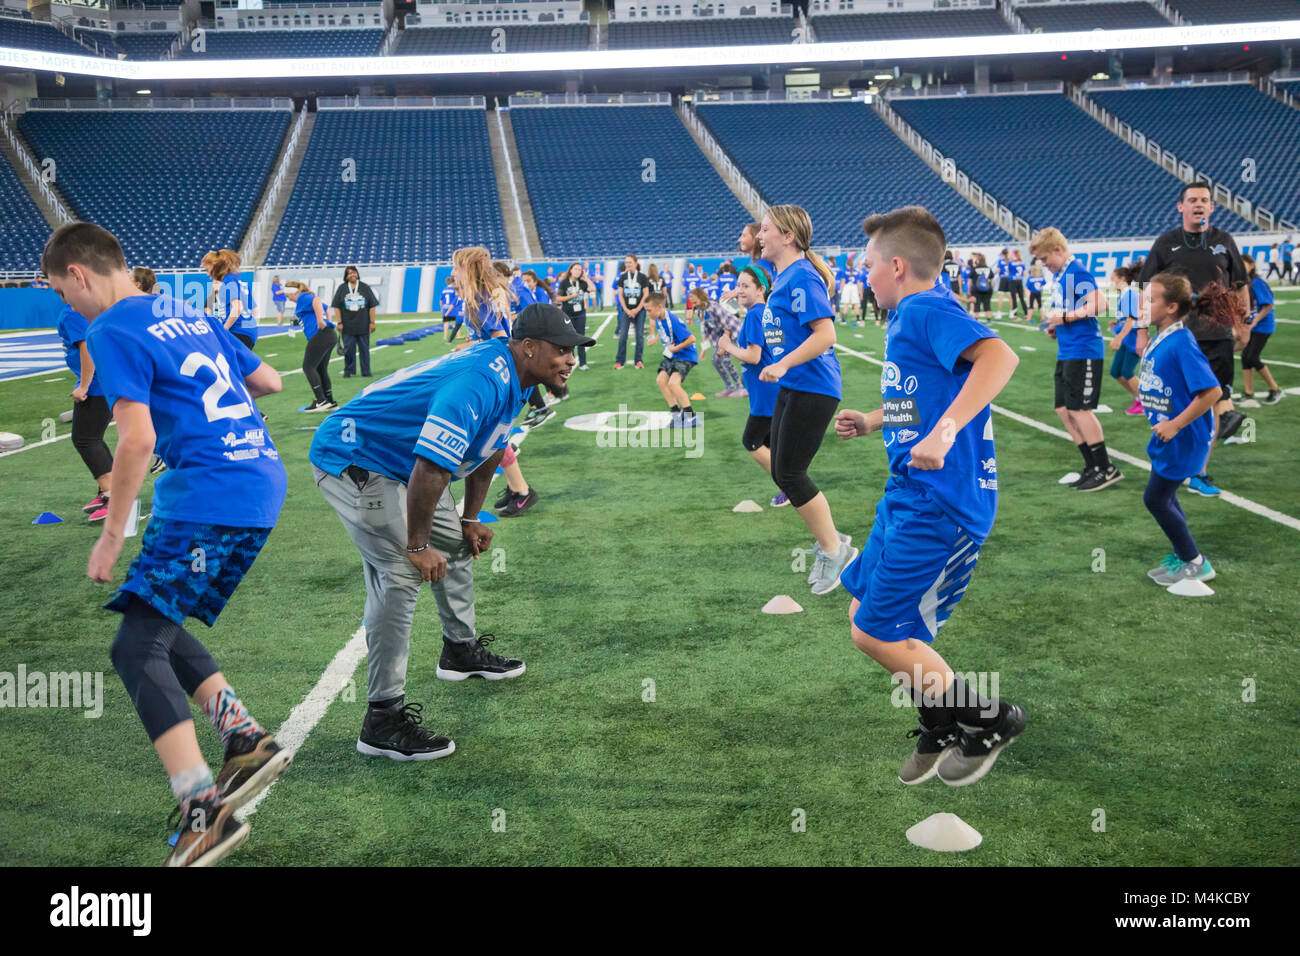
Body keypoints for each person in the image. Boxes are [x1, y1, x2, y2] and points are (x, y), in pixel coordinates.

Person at [45, 221, 290, 867]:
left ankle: (202, 809)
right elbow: (270, 382)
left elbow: (137, 440)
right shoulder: (185, 311)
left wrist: (110, 532)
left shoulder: (111, 328)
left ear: (79, 274)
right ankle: (243, 737)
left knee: (134, 645)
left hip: (209, 494)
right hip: (259, 483)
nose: (69, 309)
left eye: (64, 295)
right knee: (150, 612)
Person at [309, 304, 593, 759]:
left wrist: (468, 519)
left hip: (404, 461)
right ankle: (381, 719)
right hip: (358, 457)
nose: (570, 358)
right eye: (562, 350)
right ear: (529, 347)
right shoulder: (481, 381)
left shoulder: (516, 375)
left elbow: (489, 449)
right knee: (401, 574)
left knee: (457, 547)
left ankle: (459, 652)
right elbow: (430, 467)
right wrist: (418, 545)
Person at [835, 206, 1025, 787]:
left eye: (868, 265)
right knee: (862, 610)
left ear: (896, 266)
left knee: (874, 632)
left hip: (940, 505)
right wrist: (873, 420)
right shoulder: (907, 317)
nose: (863, 276)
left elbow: (1000, 357)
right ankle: (939, 718)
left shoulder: (925, 306)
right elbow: (918, 396)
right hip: (908, 494)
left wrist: (944, 434)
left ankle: (990, 718)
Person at [756, 204, 857, 597]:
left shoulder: (800, 276)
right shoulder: (784, 276)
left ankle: (835, 550)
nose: (760, 235)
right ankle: (831, 538)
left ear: (788, 237)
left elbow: (825, 334)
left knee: (792, 473)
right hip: (796, 385)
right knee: (782, 472)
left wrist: (782, 364)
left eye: (766, 230)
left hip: (814, 387)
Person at [1138, 182, 1249, 496]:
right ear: (1180, 206)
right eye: (1192, 200)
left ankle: (1199, 471)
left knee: (1212, 400)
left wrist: (1244, 323)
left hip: (1217, 335)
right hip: (1175, 338)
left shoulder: (1224, 241)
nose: (1199, 204)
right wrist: (1141, 330)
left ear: (1212, 207)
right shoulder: (1166, 243)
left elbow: (1240, 285)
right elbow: (1144, 290)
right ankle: (1173, 465)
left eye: (1204, 200)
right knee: (1171, 401)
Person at [1138, 273, 1222, 588]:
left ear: (1172, 307)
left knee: (1156, 499)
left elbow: (1212, 392)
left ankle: (1195, 561)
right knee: (1164, 496)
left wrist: (1175, 424)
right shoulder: (1165, 335)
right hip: (1169, 434)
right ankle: (1183, 556)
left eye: (1151, 299)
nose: (1144, 304)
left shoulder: (1182, 341)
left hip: (1182, 435)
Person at [1030, 227, 1123, 491]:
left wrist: (1067, 318)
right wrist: (1056, 325)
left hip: (1084, 350)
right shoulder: (1062, 276)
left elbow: (1100, 305)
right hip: (1068, 349)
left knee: (1080, 410)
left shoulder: (1075, 271)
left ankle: (1106, 468)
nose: (1045, 266)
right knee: (1063, 409)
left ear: (1058, 250)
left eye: (1046, 260)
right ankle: (1091, 465)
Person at [717, 264, 786, 506]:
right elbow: (727, 314)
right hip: (766, 393)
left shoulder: (757, 314)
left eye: (745, 286)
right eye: (738, 285)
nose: (739, 290)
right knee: (770, 445)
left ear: (761, 290)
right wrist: (736, 297)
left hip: (767, 394)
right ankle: (789, 486)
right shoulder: (757, 311)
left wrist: (728, 347)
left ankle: (789, 486)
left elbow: (754, 356)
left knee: (752, 442)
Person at [57, 300, 114, 522]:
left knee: (85, 439)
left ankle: (113, 496)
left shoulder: (74, 311)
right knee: (93, 438)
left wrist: (84, 385)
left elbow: (87, 348)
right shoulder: (88, 307)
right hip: (104, 381)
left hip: (97, 385)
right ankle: (108, 491)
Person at [645, 292, 699, 427]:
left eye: (649, 310)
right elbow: (664, 332)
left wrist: (676, 349)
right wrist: (656, 339)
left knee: (673, 384)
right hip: (673, 354)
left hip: (685, 355)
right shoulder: (659, 318)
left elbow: (692, 338)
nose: (647, 313)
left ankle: (691, 417)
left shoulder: (672, 320)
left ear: (659, 307)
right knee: (661, 380)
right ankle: (676, 414)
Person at [284, 282, 338, 413]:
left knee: (308, 367)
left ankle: (321, 400)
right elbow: (325, 307)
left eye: (288, 295)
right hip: (329, 334)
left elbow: (317, 301)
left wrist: (321, 321)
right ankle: (329, 400)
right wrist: (326, 320)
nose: (288, 299)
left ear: (293, 292)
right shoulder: (303, 300)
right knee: (320, 368)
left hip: (321, 335)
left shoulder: (302, 297)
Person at [690, 287, 744, 397]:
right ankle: (729, 387)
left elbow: (727, 326)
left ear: (700, 297)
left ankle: (740, 387)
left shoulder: (714, 307)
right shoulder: (700, 311)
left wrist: (724, 347)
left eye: (692, 297)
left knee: (725, 359)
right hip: (721, 336)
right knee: (715, 360)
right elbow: (706, 331)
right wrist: (704, 350)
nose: (690, 299)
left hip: (733, 332)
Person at [1243, 257, 1283, 405]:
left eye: (1244, 265)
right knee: (1245, 357)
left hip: (1263, 326)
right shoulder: (1244, 283)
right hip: (1253, 326)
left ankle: (1275, 389)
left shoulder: (1257, 282)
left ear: (1252, 266)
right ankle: (1248, 392)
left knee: (1252, 357)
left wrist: (1255, 321)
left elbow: (1268, 305)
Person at [1108, 264, 1144, 416]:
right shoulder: (1125, 295)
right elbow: (1126, 319)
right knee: (1116, 372)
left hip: (1132, 339)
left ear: (1122, 279)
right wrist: (1116, 325)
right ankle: (1138, 397)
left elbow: (1131, 321)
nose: (1111, 282)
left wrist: (1118, 338)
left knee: (1127, 371)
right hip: (1127, 338)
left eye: (1113, 279)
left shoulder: (1130, 294)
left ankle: (1144, 402)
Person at [331, 266, 379, 379]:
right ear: (346, 276)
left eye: (354, 272)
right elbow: (337, 307)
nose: (352, 275)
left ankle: (366, 371)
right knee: (348, 350)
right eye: (349, 273)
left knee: (364, 350)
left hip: (363, 324)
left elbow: (372, 306)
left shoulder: (365, 287)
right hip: (347, 325)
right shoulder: (342, 288)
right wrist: (339, 322)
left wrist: (372, 322)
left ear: (357, 274)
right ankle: (348, 370)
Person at [555, 262, 593, 370]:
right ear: (571, 270)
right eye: (576, 269)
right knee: (569, 339)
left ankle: (583, 363)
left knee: (581, 338)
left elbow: (593, 288)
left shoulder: (582, 282)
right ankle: (569, 363)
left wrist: (586, 277)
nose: (578, 271)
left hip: (580, 314)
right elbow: (558, 298)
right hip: (568, 315)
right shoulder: (564, 283)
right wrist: (571, 296)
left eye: (580, 270)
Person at [615, 254, 649, 370]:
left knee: (639, 336)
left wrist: (637, 309)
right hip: (626, 311)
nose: (627, 264)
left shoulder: (643, 277)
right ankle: (620, 361)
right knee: (623, 336)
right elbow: (620, 294)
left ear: (635, 263)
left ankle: (638, 360)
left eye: (629, 262)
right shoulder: (623, 277)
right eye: (626, 262)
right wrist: (626, 309)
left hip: (639, 311)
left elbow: (646, 294)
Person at [968, 253, 995, 322]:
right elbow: (992, 280)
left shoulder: (974, 269)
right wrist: (991, 289)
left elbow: (970, 281)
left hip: (976, 289)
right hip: (987, 289)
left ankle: (976, 320)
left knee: (977, 305)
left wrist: (969, 290)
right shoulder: (988, 268)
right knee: (987, 304)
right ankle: (988, 320)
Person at [440, 274, 464, 343]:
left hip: (445, 308)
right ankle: (458, 334)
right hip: (453, 308)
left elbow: (441, 301)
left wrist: (442, 308)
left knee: (446, 322)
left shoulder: (444, 290)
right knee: (457, 321)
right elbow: (457, 297)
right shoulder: (454, 289)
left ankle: (445, 336)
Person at [1007, 250, 1028, 319]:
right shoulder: (1021, 263)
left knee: (1014, 298)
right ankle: (1026, 313)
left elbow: (1008, 272)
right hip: (1019, 280)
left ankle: (1014, 313)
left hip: (1012, 280)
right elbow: (1025, 274)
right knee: (1021, 298)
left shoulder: (1010, 263)